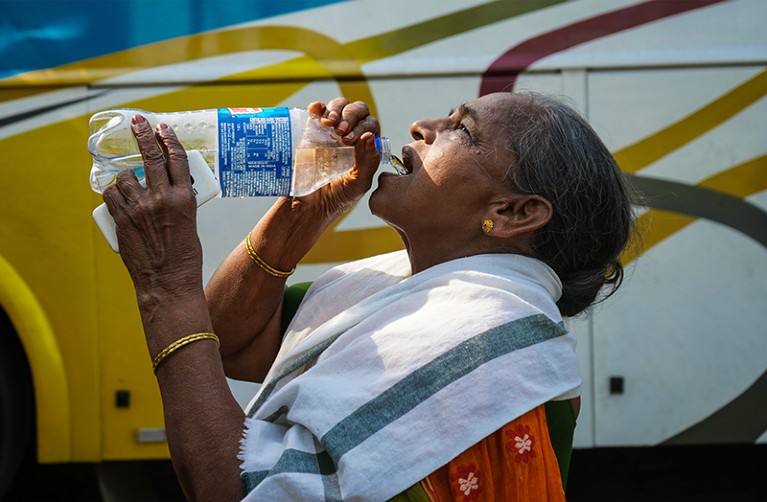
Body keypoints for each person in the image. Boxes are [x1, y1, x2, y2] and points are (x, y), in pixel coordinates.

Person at [102, 91, 634, 501]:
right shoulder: (407, 287)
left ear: (517, 212)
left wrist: (166, 283)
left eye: (462, 131)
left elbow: (237, 490)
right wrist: (304, 212)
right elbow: (229, 343)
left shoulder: (484, 332)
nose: (422, 127)